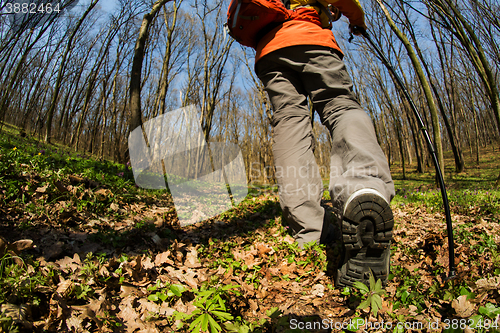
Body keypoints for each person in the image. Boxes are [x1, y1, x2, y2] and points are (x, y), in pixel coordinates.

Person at [254, 0, 396, 286]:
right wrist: (357, 20)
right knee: (339, 105)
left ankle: (309, 228)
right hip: (311, 37)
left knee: (288, 125)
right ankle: (364, 187)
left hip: (270, 49)